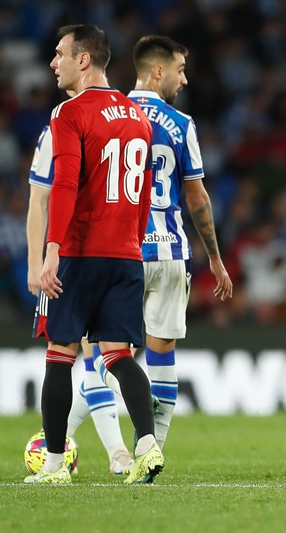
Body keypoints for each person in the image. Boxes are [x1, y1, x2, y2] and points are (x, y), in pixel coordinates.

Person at [27, 24, 162, 484]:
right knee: (117, 355)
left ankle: (53, 465)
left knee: (60, 354)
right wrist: (131, 243)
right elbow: (143, 194)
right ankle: (146, 444)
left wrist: (51, 251)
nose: (53, 62)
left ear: (84, 60)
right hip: (126, 252)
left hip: (79, 252)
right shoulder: (137, 116)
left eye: (60, 53)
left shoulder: (69, 113)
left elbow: (63, 185)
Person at [91, 35, 233, 452]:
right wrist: (216, 259)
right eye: (180, 70)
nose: (184, 80)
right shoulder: (182, 124)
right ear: (158, 71)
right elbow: (197, 198)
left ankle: (114, 431)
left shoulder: (107, 116)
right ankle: (152, 453)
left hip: (120, 251)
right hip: (170, 251)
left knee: (105, 353)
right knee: (162, 356)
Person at [27, 119, 135, 475]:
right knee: (84, 356)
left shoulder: (98, 129)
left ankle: (64, 441)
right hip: (73, 258)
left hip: (103, 254)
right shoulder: (55, 131)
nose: (56, 63)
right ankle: (116, 451)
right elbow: (39, 200)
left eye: (61, 57)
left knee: (103, 359)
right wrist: (35, 262)